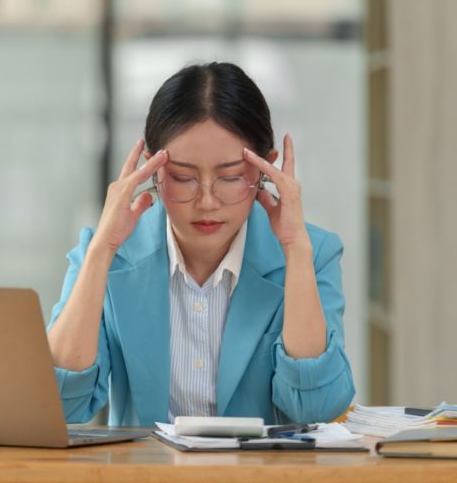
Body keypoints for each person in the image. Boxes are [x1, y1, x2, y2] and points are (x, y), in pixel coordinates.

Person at [46, 62, 355, 426]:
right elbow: (60, 406)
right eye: (182, 177)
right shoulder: (109, 253)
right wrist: (100, 252)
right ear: (152, 171)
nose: (207, 201)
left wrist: (294, 249)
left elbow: (317, 410)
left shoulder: (311, 253)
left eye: (230, 177)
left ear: (266, 169)